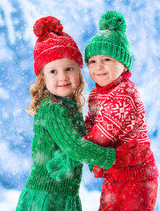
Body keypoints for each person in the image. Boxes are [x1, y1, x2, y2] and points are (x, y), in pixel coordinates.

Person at [48, 11, 159, 211]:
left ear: (123, 64)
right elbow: (89, 125)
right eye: (92, 61)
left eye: (106, 59)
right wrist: (75, 138)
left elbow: (102, 135)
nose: (98, 66)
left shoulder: (125, 93)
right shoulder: (95, 95)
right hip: (114, 171)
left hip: (137, 176)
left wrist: (72, 154)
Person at [16, 16, 117, 211]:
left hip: (65, 196)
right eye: (53, 71)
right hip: (47, 198)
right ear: (43, 78)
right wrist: (111, 159)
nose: (62, 77)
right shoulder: (53, 109)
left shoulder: (69, 107)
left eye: (69, 69)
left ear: (79, 72)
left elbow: (81, 146)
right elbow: (74, 147)